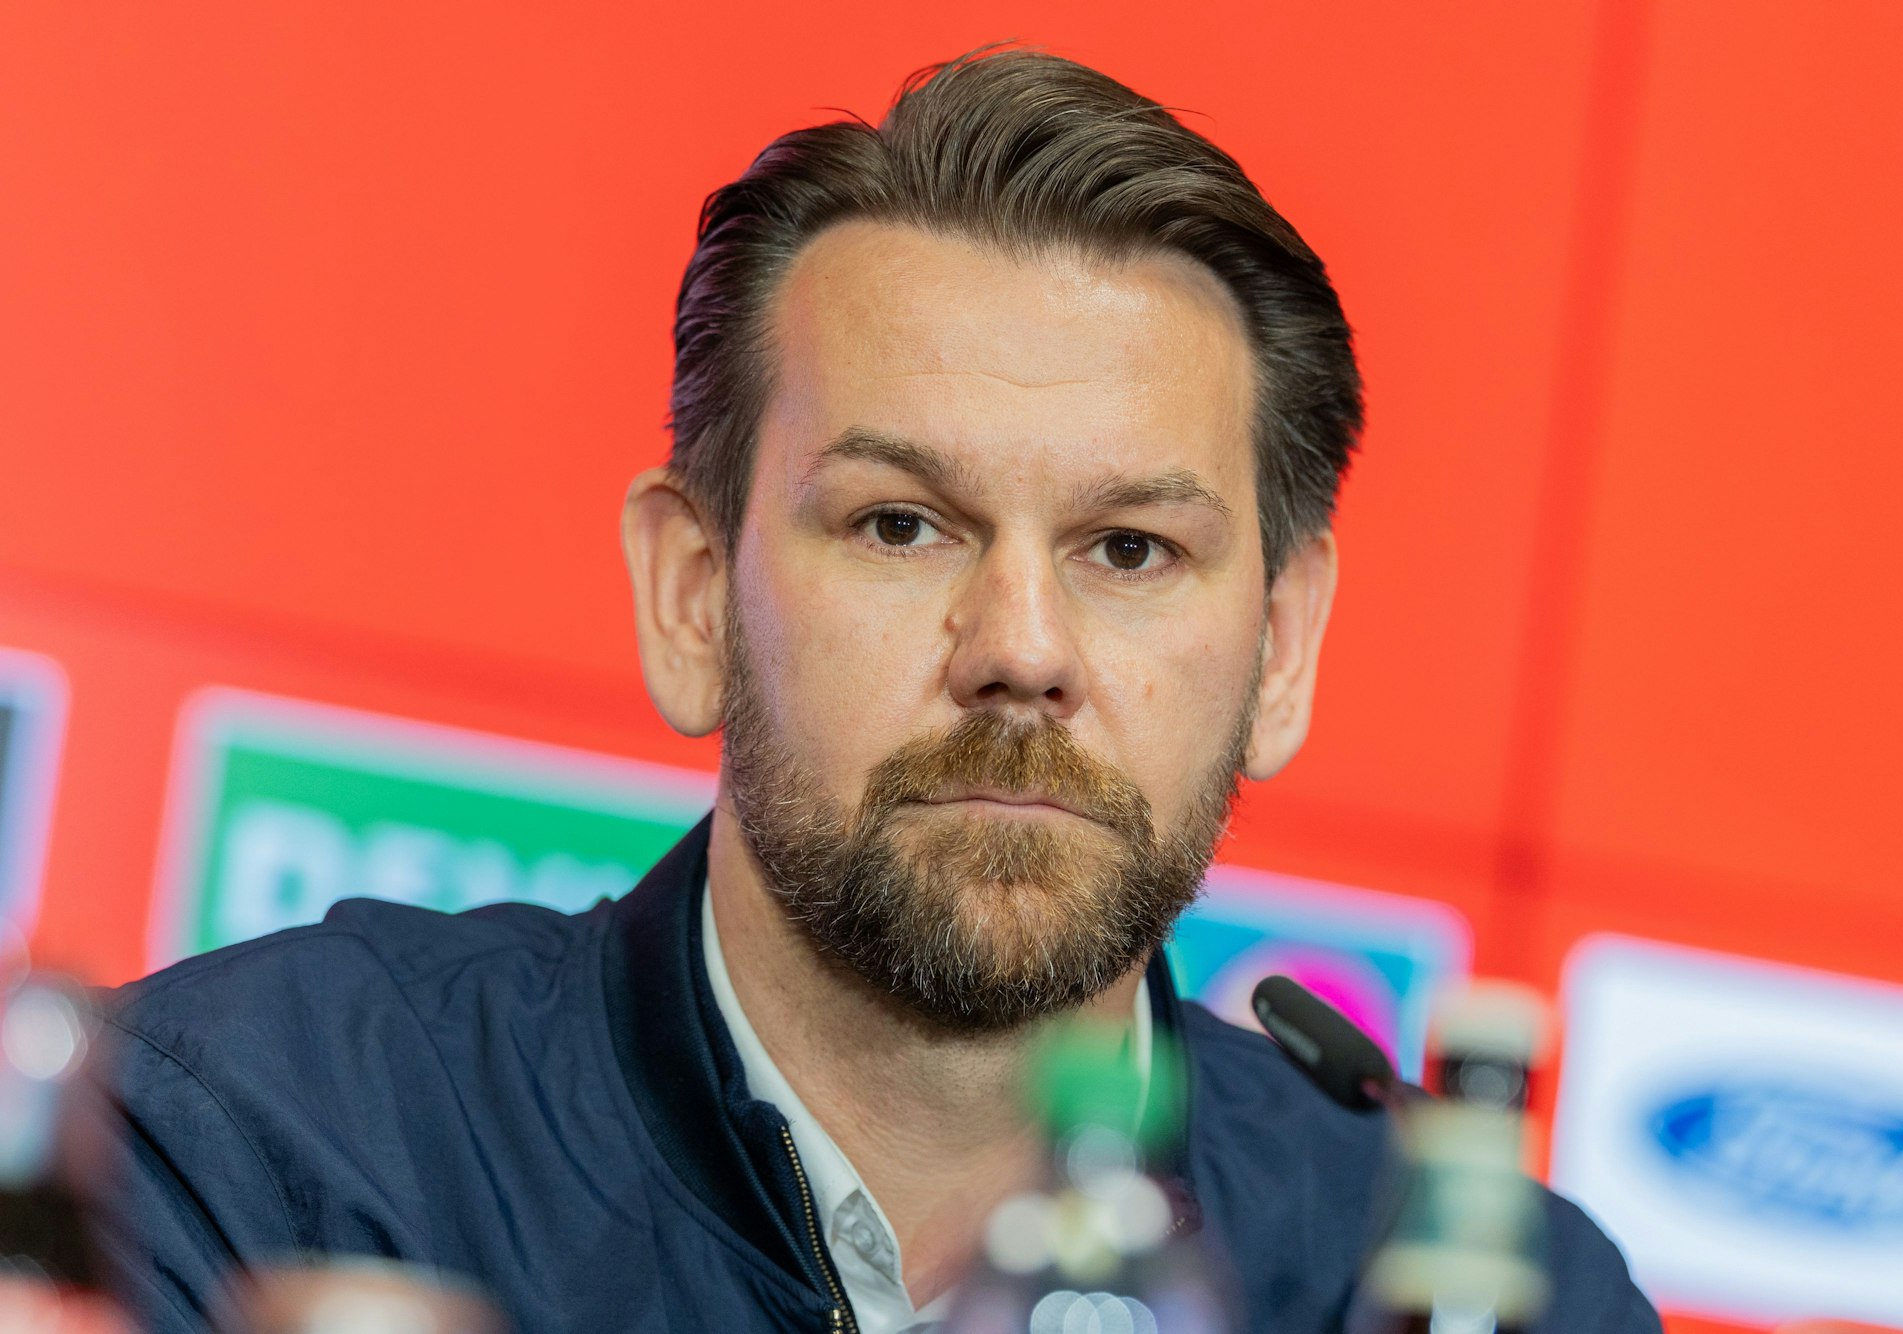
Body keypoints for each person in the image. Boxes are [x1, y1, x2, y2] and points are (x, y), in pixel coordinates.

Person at [88, 48, 1661, 1332]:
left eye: (1130, 547)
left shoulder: (1479, 1296)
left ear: (1284, 646)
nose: (1022, 647)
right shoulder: (255, 1153)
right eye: (902, 525)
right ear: (692, 593)